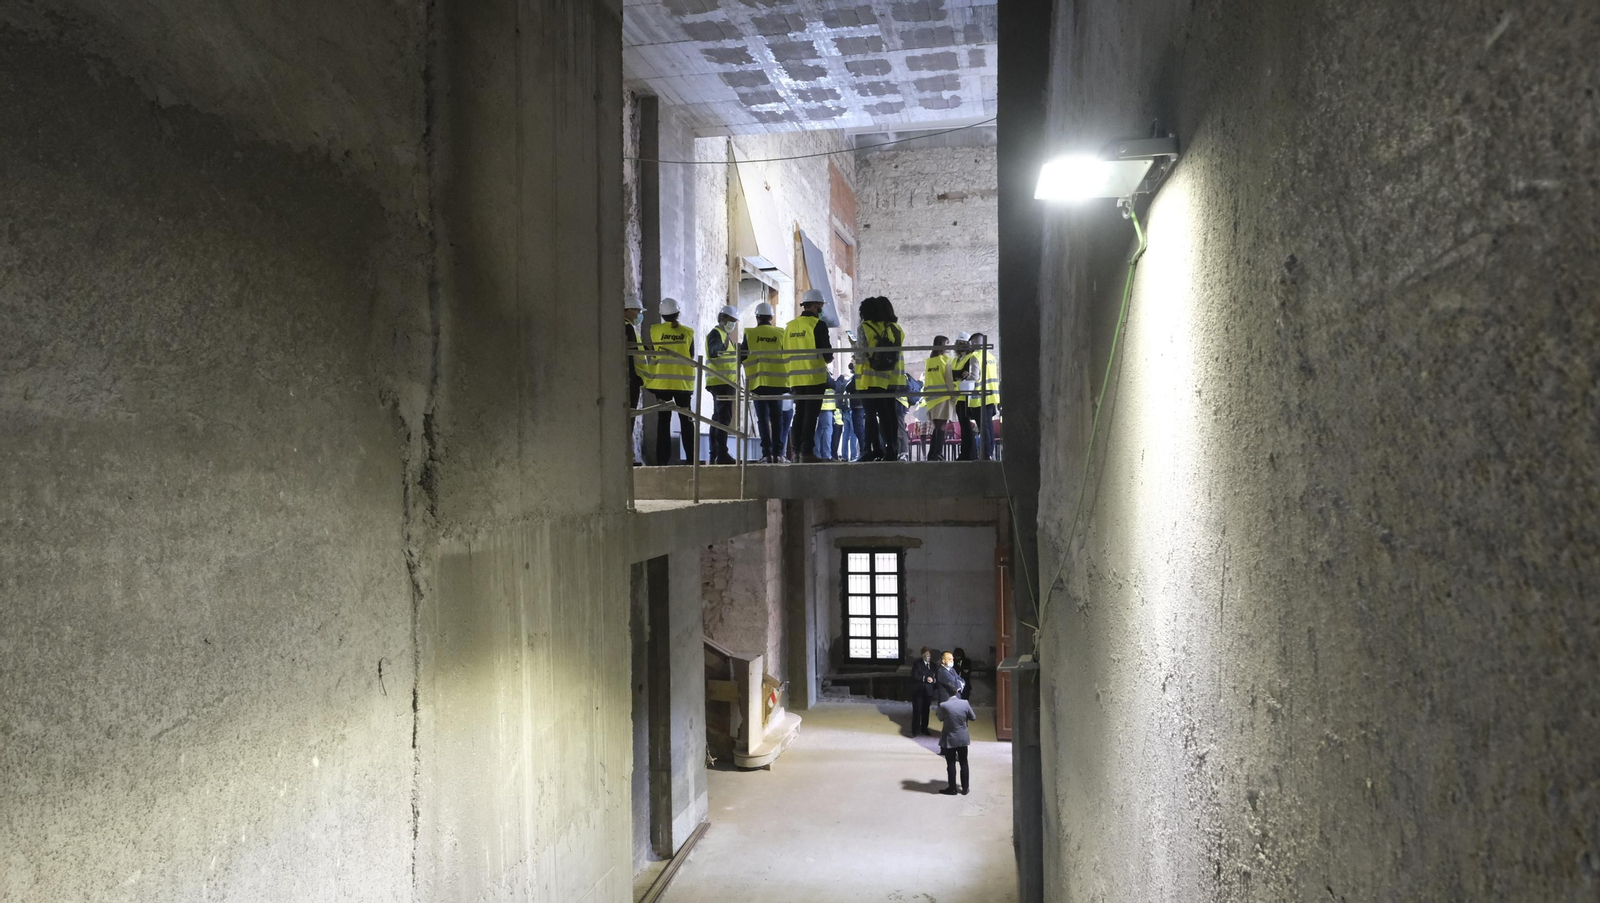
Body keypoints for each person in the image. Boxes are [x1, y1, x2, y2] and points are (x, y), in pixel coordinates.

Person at [642, 297, 695, 465]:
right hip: (683, 384)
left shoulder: (655, 330)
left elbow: (653, 352)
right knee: (686, 421)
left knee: (663, 421)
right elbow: (691, 354)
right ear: (678, 313)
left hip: (662, 384)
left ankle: (662, 460)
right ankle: (692, 460)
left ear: (662, 315)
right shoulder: (688, 332)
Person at [783, 289, 834, 463]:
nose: (821, 308)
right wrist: (829, 356)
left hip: (795, 378)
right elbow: (827, 354)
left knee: (799, 414)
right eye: (820, 305)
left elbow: (784, 351)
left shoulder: (790, 326)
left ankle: (796, 452)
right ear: (814, 305)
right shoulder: (817, 325)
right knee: (810, 416)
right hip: (814, 378)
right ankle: (807, 452)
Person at [856, 296, 906, 461]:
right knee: (889, 413)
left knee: (872, 415)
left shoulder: (866, 327)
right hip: (893, 376)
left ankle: (871, 449)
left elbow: (861, 356)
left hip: (871, 378)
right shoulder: (895, 328)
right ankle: (892, 448)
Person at [742, 301, 787, 463]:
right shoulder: (780, 333)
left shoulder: (749, 334)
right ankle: (778, 454)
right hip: (778, 383)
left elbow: (741, 357)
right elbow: (787, 354)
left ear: (757, 317)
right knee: (777, 419)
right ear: (771, 318)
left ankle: (766, 454)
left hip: (757, 384)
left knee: (762, 419)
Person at [705, 304, 740, 464]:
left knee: (718, 417)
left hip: (724, 382)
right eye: (731, 320)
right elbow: (714, 352)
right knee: (723, 418)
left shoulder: (726, 336)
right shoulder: (716, 334)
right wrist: (722, 347)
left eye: (734, 321)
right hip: (720, 382)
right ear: (722, 318)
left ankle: (716, 453)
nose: (732, 324)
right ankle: (721, 454)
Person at [936, 692, 977, 795]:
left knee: (950, 763)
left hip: (949, 738)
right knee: (964, 762)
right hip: (962, 737)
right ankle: (965, 788)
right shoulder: (965, 703)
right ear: (957, 692)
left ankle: (952, 788)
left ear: (947, 693)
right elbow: (973, 717)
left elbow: (940, 718)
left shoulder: (944, 705)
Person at [922, 335, 955, 461]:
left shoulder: (929, 361)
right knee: (941, 427)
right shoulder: (945, 360)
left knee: (937, 426)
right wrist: (954, 396)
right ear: (942, 345)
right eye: (947, 343)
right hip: (942, 397)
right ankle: (937, 453)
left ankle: (932, 453)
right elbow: (949, 380)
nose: (949, 346)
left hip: (931, 399)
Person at [968, 332, 1000, 461]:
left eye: (971, 344)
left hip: (979, 398)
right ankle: (989, 452)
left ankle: (986, 453)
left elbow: (974, 377)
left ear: (975, 343)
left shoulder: (975, 356)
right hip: (992, 396)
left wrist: (964, 380)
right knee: (989, 426)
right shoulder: (991, 356)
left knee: (983, 427)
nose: (969, 347)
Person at [624, 299, 647, 466]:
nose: (639, 315)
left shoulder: (628, 328)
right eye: (637, 311)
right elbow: (631, 357)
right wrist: (637, 378)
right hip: (631, 380)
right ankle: (626, 457)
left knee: (628, 418)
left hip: (632, 379)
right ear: (628, 310)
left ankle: (627, 456)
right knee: (627, 419)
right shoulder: (627, 328)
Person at [951, 333, 978, 461]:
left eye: (963, 344)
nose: (961, 346)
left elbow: (965, 374)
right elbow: (955, 374)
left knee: (967, 426)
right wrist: (959, 374)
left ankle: (969, 454)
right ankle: (965, 453)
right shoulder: (956, 359)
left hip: (966, 395)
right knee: (963, 426)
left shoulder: (971, 357)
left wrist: (958, 375)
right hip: (958, 396)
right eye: (959, 343)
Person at [910, 647, 938, 736]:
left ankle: (924, 728)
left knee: (926, 711)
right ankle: (915, 730)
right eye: (925, 654)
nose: (927, 656)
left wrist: (933, 681)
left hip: (929, 692)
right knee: (917, 711)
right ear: (922, 655)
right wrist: (925, 679)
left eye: (928, 654)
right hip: (919, 691)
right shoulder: (917, 664)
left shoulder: (934, 666)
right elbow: (914, 676)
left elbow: (937, 677)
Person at [815, 374, 839, 460]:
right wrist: (838, 381)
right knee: (828, 430)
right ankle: (827, 455)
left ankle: (817, 454)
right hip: (826, 406)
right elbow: (833, 385)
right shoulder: (824, 372)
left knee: (819, 431)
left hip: (821, 406)